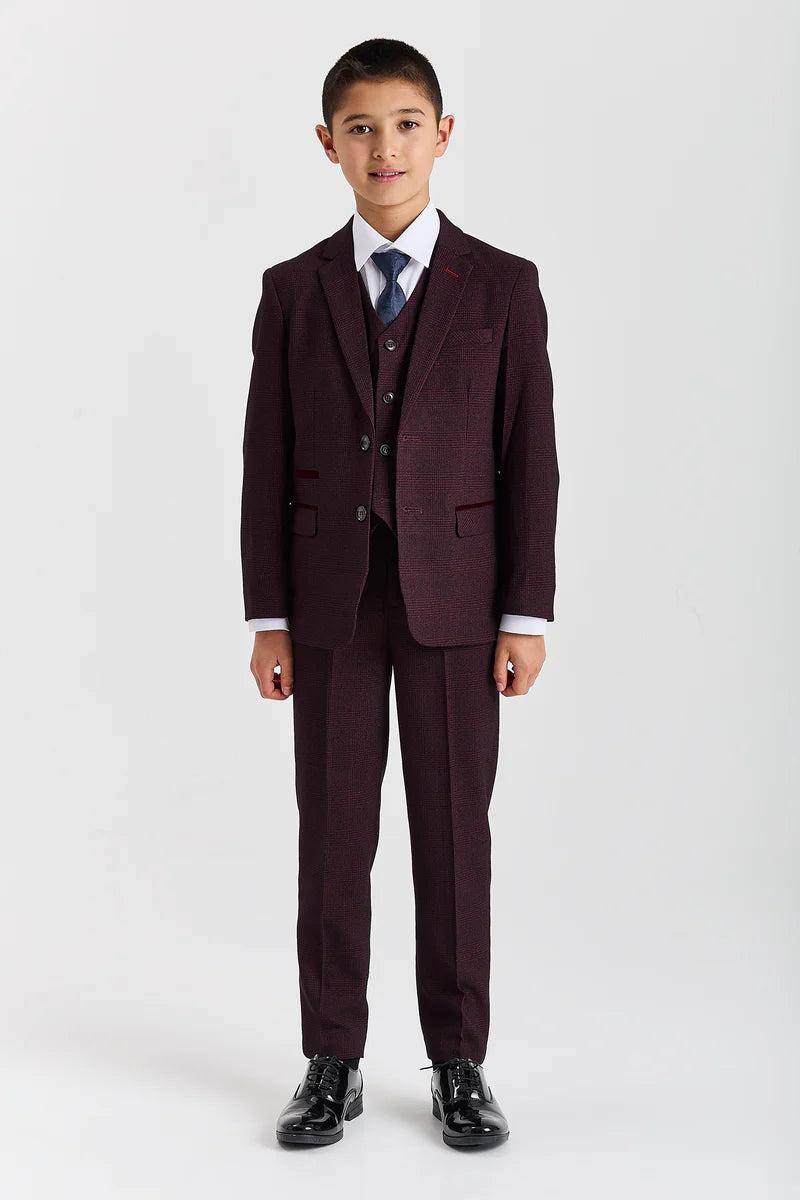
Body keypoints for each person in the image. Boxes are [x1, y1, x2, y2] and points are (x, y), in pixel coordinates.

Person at [240, 37, 559, 1150]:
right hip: (329, 601)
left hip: (457, 603)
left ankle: (459, 1060)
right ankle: (331, 1058)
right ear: (327, 144)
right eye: (361, 128)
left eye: (406, 124)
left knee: (452, 832)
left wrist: (524, 613)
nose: (385, 147)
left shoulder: (503, 286)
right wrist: (267, 615)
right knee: (333, 833)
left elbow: (531, 459)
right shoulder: (293, 291)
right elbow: (265, 460)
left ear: (443, 134)